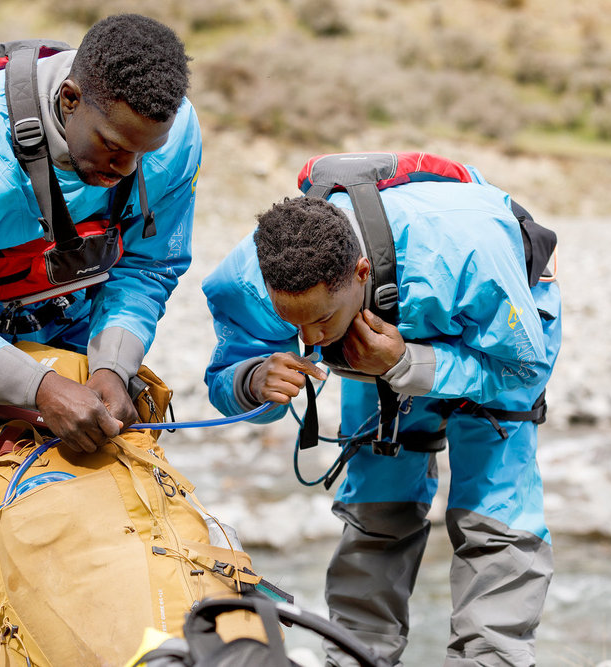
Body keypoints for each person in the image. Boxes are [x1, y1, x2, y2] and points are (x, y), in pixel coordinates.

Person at [0, 14, 201, 665]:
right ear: (69, 100)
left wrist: (113, 366)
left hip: (77, 304)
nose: (127, 165)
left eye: (144, 151)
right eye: (111, 146)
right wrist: (41, 389)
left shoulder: (171, 134)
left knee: (104, 479)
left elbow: (150, 264)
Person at [202, 167, 561, 666]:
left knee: (494, 517)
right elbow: (225, 378)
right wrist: (253, 380)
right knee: (377, 508)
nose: (310, 340)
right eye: (292, 321)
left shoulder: (474, 256)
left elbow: (525, 369)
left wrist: (405, 363)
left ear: (361, 273)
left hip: (487, 326)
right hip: (379, 335)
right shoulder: (249, 277)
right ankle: (356, 657)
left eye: (321, 319)